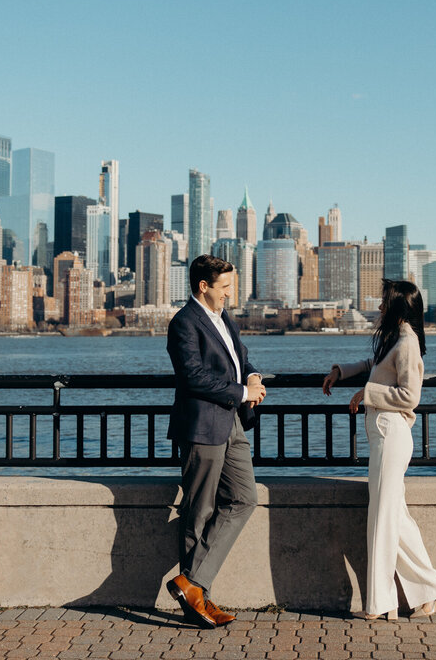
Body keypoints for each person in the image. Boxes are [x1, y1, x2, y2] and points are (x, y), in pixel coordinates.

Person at [323, 279, 436, 621]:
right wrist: (342, 371)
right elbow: (375, 365)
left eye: (384, 303)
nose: (379, 308)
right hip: (383, 434)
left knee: (381, 518)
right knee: (395, 517)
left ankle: (382, 604)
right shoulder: (394, 340)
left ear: (397, 307)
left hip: (392, 434)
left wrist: (367, 395)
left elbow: (410, 396)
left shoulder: (408, 343)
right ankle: (432, 591)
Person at [165, 254, 267, 629]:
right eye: (224, 287)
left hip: (232, 423)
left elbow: (241, 359)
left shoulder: (225, 319)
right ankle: (197, 600)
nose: (230, 294)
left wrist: (252, 377)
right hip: (203, 427)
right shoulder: (184, 324)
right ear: (203, 286)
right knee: (199, 512)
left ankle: (192, 584)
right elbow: (192, 378)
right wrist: (242, 391)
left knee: (244, 498)